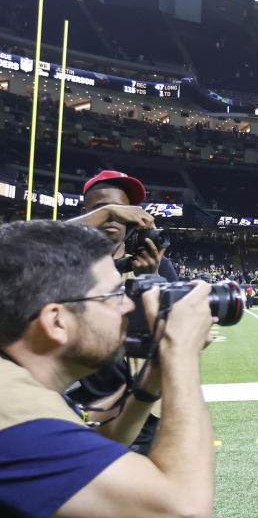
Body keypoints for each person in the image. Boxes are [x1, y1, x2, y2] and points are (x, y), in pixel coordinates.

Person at [0, 220, 216, 518]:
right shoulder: (16, 423)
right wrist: (181, 352)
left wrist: (152, 375)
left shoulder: (16, 386)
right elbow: (183, 509)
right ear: (57, 322)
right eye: (114, 295)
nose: (128, 306)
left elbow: (96, 436)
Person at [65, 170, 178, 454]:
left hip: (140, 410)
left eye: (122, 211)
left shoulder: (158, 266)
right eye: (102, 210)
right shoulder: (60, 263)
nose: (113, 219)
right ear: (86, 213)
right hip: (76, 405)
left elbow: (171, 336)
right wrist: (107, 213)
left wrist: (149, 283)